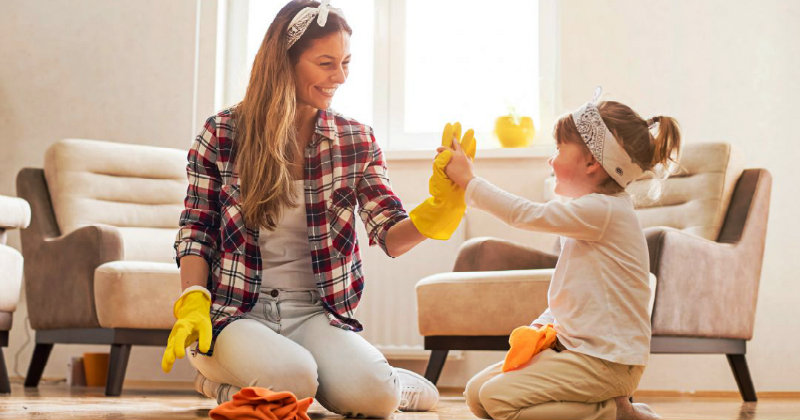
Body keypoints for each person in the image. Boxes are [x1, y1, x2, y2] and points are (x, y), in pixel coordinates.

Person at [159, 1, 472, 417]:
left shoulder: (355, 140)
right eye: (326, 63)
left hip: (314, 312)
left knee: (376, 400)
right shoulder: (222, 133)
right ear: (283, 61)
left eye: (345, 62)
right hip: (235, 312)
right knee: (294, 379)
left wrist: (438, 209)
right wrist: (193, 300)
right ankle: (216, 380)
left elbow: (390, 234)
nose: (339, 77)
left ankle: (379, 383)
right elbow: (196, 229)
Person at [442, 88, 680, 420]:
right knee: (477, 396)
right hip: (573, 351)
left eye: (558, 149)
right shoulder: (590, 216)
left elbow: (525, 214)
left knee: (497, 401)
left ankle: (612, 412)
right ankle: (606, 407)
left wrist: (470, 183)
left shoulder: (604, 210)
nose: (551, 159)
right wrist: (541, 328)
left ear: (592, 162)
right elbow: (573, 292)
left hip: (606, 362)